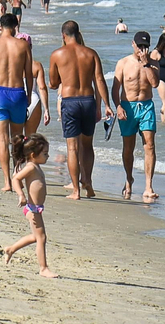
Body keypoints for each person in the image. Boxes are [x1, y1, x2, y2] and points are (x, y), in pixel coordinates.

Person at [49, 19, 108, 201]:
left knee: (72, 148)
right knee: (87, 145)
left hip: (70, 101)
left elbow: (53, 83)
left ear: (63, 35)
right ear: (78, 33)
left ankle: (76, 190)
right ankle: (88, 182)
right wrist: (106, 105)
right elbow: (99, 80)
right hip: (88, 101)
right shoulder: (91, 54)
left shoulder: (57, 54)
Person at [0, 13, 34, 192]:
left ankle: (6, 181)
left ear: (0, 26)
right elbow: (29, 73)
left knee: (2, 140)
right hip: (18, 92)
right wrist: (28, 95)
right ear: (15, 25)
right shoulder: (23, 45)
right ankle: (16, 174)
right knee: (17, 139)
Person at [113, 31, 159, 202]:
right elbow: (115, 88)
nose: (142, 49)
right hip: (127, 107)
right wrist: (117, 106)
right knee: (128, 147)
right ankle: (129, 178)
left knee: (150, 145)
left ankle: (148, 186)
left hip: (146, 106)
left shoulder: (153, 64)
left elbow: (154, 84)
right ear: (133, 44)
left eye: (145, 46)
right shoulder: (123, 63)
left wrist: (146, 64)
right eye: (139, 46)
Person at [3, 133, 57, 279]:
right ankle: (43, 268)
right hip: (33, 209)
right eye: (45, 153)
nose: (48, 156)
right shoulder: (31, 167)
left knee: (36, 237)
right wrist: (21, 195)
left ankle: (11, 249)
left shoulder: (36, 166)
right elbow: (15, 179)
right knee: (42, 238)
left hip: (36, 208)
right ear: (33, 155)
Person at [22, 36, 51, 137]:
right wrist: (46, 109)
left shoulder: (12, 64)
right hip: (34, 100)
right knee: (30, 137)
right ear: (31, 46)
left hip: (16, 98)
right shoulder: (36, 65)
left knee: (15, 136)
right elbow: (42, 87)